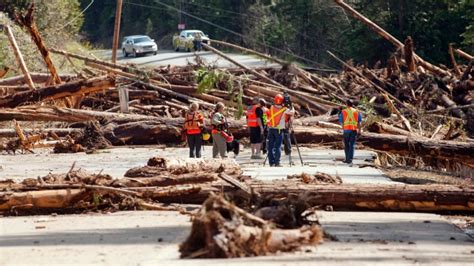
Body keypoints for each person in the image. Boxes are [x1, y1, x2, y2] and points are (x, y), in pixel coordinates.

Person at [267, 94, 294, 167]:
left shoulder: (271, 107)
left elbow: (268, 115)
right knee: (277, 146)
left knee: (270, 146)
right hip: (279, 130)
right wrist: (291, 106)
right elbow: (292, 113)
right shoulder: (284, 109)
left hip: (271, 129)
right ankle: (277, 162)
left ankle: (271, 162)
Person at [339, 99, 362, 166]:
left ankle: (347, 159)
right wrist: (359, 131)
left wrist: (343, 128)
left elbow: (341, 122)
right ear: (352, 104)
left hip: (346, 130)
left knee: (346, 145)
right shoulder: (357, 112)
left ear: (346, 104)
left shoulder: (343, 112)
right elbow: (359, 123)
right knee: (352, 145)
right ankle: (350, 159)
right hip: (354, 130)